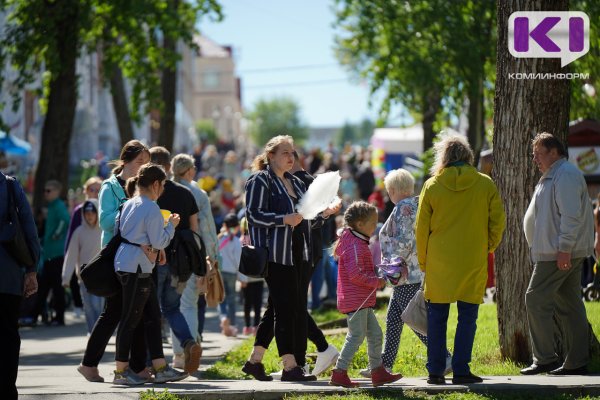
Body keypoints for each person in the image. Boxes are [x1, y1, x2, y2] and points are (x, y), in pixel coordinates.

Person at [415, 133, 505, 385]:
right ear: (468, 156)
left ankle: (435, 371)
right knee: (468, 317)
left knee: (437, 318)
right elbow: (498, 221)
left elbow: (421, 230)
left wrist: (424, 262)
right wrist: (487, 246)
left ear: (443, 157)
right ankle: (462, 369)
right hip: (472, 259)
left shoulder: (432, 186)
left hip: (439, 261)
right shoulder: (485, 184)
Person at [241, 135, 317, 382]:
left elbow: (308, 217)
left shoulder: (295, 181)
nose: (290, 157)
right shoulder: (260, 180)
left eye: (292, 152)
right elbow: (253, 215)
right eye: (285, 152)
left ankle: (254, 362)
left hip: (298, 254)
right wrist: (283, 220)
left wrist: (324, 212)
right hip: (276, 254)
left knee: (276, 307)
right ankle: (290, 366)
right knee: (286, 311)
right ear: (270, 155)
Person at [364, 169, 451, 378]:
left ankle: (444, 357)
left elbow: (404, 240)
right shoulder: (418, 204)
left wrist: (391, 261)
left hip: (405, 274)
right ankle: (384, 365)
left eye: (388, 191)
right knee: (394, 320)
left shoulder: (403, 208)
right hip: (414, 272)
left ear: (393, 190)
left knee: (413, 319)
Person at [520, 132, 593, 376]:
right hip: (557, 252)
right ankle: (577, 361)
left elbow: (570, 217)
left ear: (554, 152)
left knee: (535, 298)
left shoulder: (565, 175)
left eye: (538, 154)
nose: (535, 159)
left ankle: (545, 358)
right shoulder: (554, 175)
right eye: (533, 155)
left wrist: (564, 249)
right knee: (569, 305)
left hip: (558, 253)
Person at [78, 139, 150, 383]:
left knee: (130, 311)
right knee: (118, 313)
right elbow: (105, 222)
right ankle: (101, 366)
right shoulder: (110, 186)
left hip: (137, 257)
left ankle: (132, 367)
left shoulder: (142, 186)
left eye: (146, 163)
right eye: (139, 162)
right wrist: (130, 211)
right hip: (116, 257)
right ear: (125, 161)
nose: (142, 167)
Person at [113, 163, 187, 385]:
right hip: (137, 267)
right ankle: (120, 372)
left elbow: (128, 234)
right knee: (130, 319)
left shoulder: (130, 203)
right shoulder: (151, 207)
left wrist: (152, 247)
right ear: (155, 184)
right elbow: (159, 240)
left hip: (132, 264)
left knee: (153, 317)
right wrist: (171, 225)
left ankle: (160, 367)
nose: (163, 188)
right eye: (162, 184)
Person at [329, 201, 402, 388]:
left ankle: (377, 371)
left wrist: (377, 275)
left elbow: (360, 270)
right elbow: (356, 274)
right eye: (373, 223)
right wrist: (376, 281)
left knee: (375, 334)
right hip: (356, 300)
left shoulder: (357, 241)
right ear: (360, 225)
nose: (375, 226)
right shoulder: (354, 245)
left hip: (362, 299)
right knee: (356, 336)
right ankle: (339, 372)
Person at [150, 147, 202, 374]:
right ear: (170, 167)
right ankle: (188, 342)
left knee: (150, 310)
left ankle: (154, 363)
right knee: (172, 307)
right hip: (181, 262)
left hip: (155, 257)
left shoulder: (151, 194)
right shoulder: (186, 193)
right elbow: (194, 231)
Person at [170, 153, 218, 360]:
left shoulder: (165, 190)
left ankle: (178, 354)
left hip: (168, 253)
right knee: (189, 304)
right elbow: (206, 228)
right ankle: (189, 350)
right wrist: (212, 256)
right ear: (189, 171)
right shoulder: (197, 194)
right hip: (192, 253)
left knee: (174, 306)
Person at [0, 172, 41, 400]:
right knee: (7, 334)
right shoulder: (9, 185)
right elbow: (28, 226)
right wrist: (31, 269)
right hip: (8, 273)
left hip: (8, 273)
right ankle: (6, 391)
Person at [61, 200, 103, 334]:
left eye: (92, 212)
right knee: (88, 307)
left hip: (100, 278)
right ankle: (92, 333)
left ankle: (99, 333)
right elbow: (71, 255)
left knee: (98, 305)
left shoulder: (104, 231)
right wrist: (66, 277)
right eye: (86, 213)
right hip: (83, 277)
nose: (89, 215)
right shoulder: (78, 232)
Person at [35, 180, 70, 326]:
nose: (45, 193)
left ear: (56, 192)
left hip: (56, 253)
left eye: (49, 191)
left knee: (57, 286)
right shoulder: (51, 206)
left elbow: (65, 220)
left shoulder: (58, 205)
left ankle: (59, 317)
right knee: (44, 286)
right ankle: (38, 314)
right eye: (45, 190)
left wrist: (56, 234)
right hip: (49, 252)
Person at [238, 217, 264, 336]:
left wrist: (241, 278)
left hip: (246, 276)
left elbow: (239, 261)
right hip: (258, 275)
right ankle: (256, 326)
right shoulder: (259, 239)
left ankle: (247, 326)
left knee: (247, 303)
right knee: (258, 303)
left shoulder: (241, 240)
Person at [217, 213, 242, 337]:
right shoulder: (236, 241)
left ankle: (223, 318)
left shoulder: (219, 238)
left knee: (221, 298)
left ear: (224, 225)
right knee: (232, 299)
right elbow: (239, 260)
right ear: (237, 227)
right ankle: (232, 326)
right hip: (232, 273)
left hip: (219, 272)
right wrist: (243, 278)